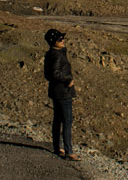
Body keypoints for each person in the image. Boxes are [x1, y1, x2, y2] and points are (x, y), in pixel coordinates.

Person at [43, 28, 78, 160]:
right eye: (60, 39)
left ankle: (58, 147)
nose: (63, 41)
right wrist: (68, 79)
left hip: (56, 91)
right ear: (53, 41)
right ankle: (69, 151)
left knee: (58, 120)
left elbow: (49, 74)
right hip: (63, 92)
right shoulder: (56, 55)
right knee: (67, 121)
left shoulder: (52, 54)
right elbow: (54, 73)